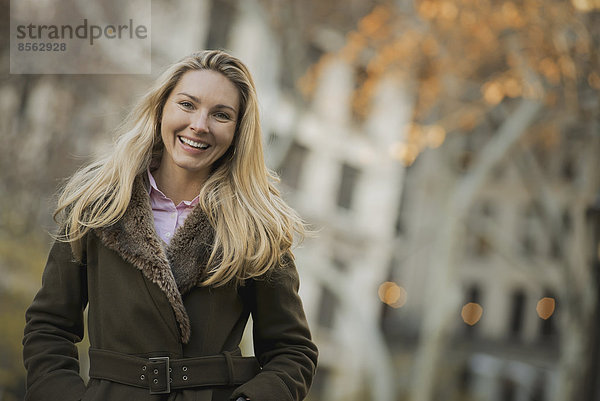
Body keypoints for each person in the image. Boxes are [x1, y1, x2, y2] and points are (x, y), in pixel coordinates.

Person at [22, 50, 318, 401]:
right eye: (188, 105)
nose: (200, 125)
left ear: (238, 132)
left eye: (221, 115)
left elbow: (293, 352)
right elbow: (48, 328)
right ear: (162, 108)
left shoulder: (256, 227)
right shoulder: (96, 204)